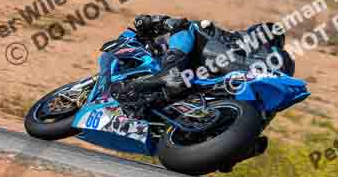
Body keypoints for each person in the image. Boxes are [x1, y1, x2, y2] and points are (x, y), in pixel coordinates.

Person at [111, 14, 293, 116]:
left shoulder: (242, 40)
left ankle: (169, 73)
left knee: (188, 26)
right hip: (232, 94)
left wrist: (157, 21)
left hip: (233, 68)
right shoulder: (284, 63)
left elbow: (203, 29)